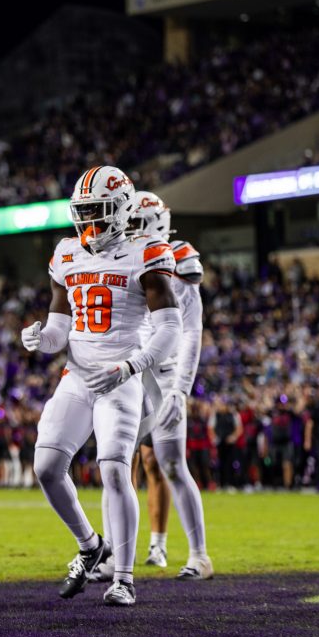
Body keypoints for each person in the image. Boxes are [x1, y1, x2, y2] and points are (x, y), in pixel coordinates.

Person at [21, 165, 181, 607]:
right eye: (84, 212)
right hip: (78, 375)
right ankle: (92, 546)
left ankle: (124, 579)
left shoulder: (145, 251)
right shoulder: (67, 252)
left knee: (113, 469)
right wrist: (40, 338)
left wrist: (132, 366)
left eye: (99, 211)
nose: (89, 222)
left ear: (122, 209)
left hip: (121, 377)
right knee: (46, 467)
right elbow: (59, 330)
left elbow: (171, 328)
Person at [97, 191, 212, 581]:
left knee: (172, 465)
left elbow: (192, 332)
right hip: (129, 374)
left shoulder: (180, 259)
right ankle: (112, 556)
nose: (127, 230)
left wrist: (181, 388)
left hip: (163, 376)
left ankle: (199, 555)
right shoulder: (125, 255)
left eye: (134, 223)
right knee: (114, 463)